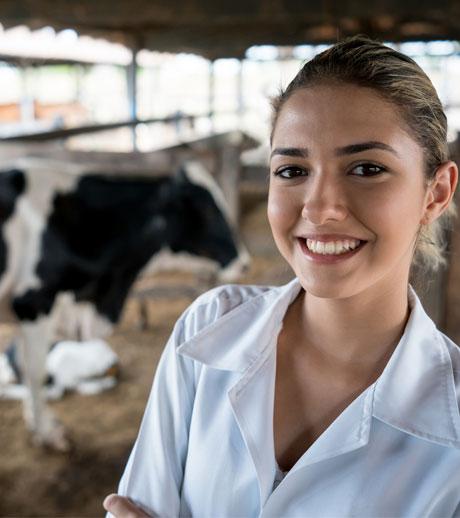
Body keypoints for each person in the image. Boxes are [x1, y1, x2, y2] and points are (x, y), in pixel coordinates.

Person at [104, 35, 460, 517]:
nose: (320, 207)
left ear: (435, 193)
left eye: (367, 167)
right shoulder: (208, 329)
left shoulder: (452, 423)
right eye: (292, 170)